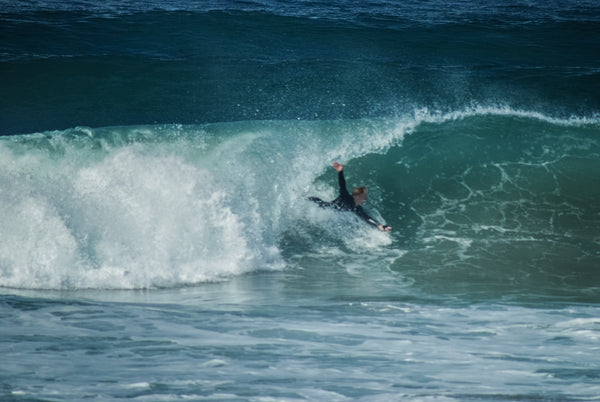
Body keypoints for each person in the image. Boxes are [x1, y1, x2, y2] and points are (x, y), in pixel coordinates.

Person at [309, 162, 392, 232]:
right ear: (357, 196)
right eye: (363, 197)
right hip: (323, 206)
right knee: (313, 201)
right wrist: (340, 171)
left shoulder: (357, 208)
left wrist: (380, 226)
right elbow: (342, 184)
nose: (365, 199)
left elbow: (367, 218)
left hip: (331, 211)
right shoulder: (345, 196)